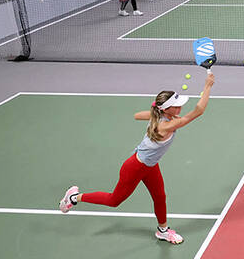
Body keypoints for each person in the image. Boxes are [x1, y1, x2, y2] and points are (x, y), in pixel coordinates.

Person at [59, 71, 217, 244]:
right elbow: (198, 110)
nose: (180, 109)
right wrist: (208, 85)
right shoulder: (168, 125)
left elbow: (137, 115)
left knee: (159, 197)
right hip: (135, 167)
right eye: (176, 106)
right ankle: (74, 197)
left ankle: (163, 230)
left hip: (150, 165)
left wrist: (162, 114)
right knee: (114, 201)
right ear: (165, 109)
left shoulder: (160, 116)